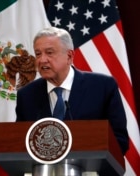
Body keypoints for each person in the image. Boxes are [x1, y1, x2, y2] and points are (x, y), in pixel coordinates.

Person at [15, 27, 129, 155]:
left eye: (49, 52)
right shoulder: (26, 95)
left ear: (69, 56)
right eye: (38, 54)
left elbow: (119, 141)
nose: (42, 60)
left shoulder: (102, 87)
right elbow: (20, 144)